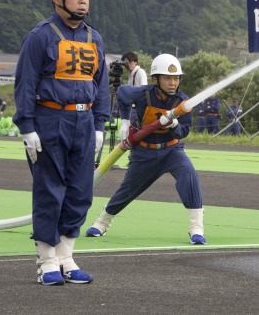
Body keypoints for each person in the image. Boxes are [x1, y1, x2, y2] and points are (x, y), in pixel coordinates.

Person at [13, 0, 110, 285]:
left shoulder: (94, 37)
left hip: (84, 121)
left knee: (81, 192)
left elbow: (102, 85)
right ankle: (46, 260)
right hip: (49, 119)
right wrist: (26, 126)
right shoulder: (39, 36)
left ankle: (67, 256)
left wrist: (99, 126)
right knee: (49, 191)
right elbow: (25, 83)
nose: (83, 2)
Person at [85, 54, 206, 245]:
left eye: (176, 78)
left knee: (189, 176)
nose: (173, 83)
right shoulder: (144, 94)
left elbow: (184, 132)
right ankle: (101, 223)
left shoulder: (183, 102)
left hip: (171, 151)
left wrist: (174, 126)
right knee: (128, 189)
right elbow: (123, 93)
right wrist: (125, 121)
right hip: (144, 152)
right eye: (167, 78)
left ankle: (196, 229)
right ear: (155, 79)